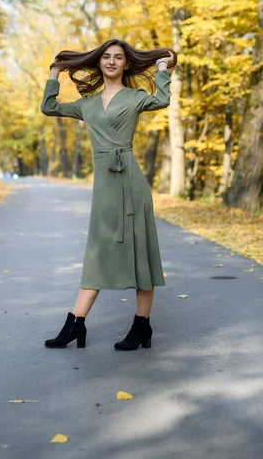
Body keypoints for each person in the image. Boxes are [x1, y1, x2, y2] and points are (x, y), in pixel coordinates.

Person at [40, 39, 177, 351]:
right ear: (99, 63)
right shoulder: (87, 104)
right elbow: (48, 107)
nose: (112, 61)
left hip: (131, 180)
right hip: (104, 181)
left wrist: (161, 68)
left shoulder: (135, 97)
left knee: (141, 251)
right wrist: (55, 72)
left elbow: (163, 100)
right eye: (106, 57)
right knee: (98, 250)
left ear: (126, 64)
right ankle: (76, 323)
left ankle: (141, 326)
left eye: (118, 57)